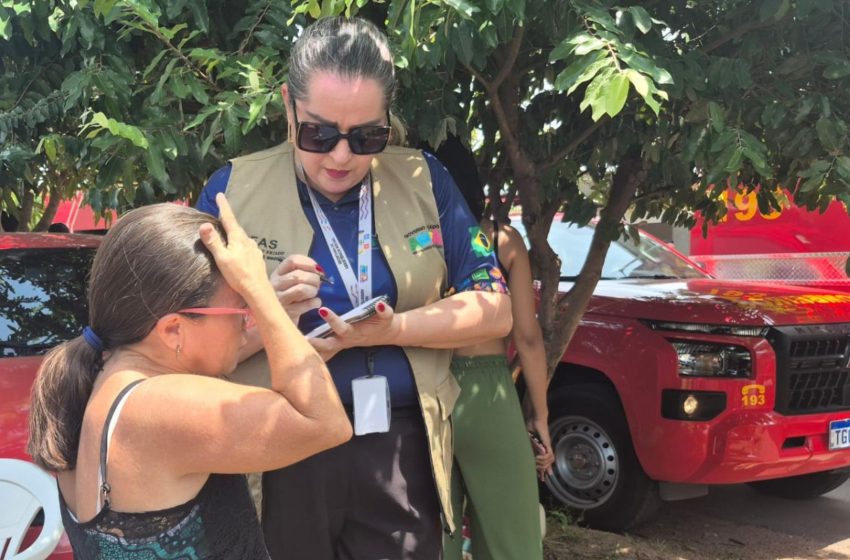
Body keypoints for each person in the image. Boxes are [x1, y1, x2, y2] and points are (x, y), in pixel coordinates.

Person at [195, 15, 513, 560]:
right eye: (319, 133)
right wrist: (268, 313)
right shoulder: (233, 190)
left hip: (398, 447)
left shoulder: (423, 180)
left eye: (367, 136)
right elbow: (186, 344)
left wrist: (391, 331)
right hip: (277, 445)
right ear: (287, 107)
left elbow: (496, 307)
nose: (341, 157)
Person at [28, 196, 352, 559]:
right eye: (239, 307)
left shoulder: (101, 379)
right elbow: (324, 422)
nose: (247, 320)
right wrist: (258, 288)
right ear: (173, 331)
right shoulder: (162, 404)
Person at [431, 135, 555, 560]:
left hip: (428, 390)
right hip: (488, 395)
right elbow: (528, 337)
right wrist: (539, 415)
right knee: (511, 538)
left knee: (431, 534)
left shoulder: (414, 243)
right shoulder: (502, 239)